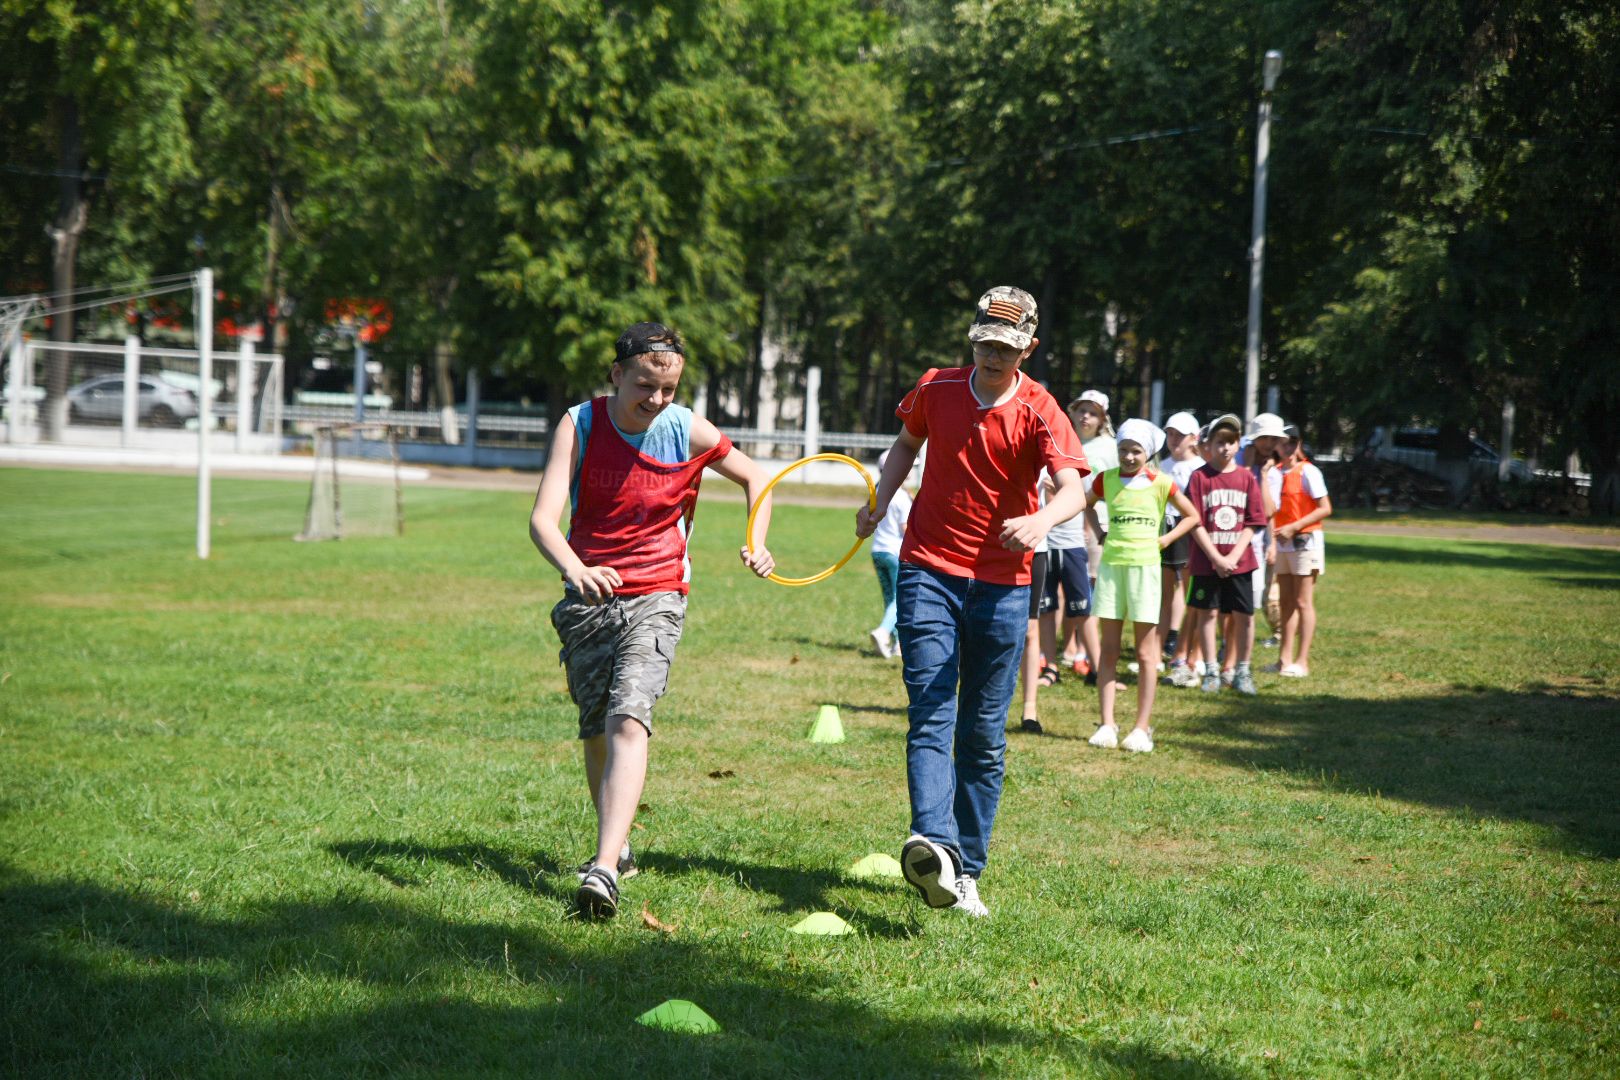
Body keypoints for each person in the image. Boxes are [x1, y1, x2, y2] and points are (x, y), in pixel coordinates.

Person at [529, 322, 777, 920]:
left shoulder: (683, 427)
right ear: (616, 375)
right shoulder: (580, 423)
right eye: (645, 386)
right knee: (594, 730)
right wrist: (577, 566)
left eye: (668, 388)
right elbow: (542, 519)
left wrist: (757, 541)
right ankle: (618, 848)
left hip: (659, 594)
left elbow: (758, 477)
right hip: (587, 601)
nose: (658, 400)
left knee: (628, 717)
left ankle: (604, 868)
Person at [855, 286, 1090, 918]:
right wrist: (881, 496)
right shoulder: (936, 388)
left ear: (1028, 349)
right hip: (928, 568)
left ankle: (967, 871)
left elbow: (1073, 489)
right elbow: (907, 443)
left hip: (1003, 586)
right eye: (985, 342)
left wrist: (1042, 523)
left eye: (1006, 347)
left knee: (983, 734)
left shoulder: (1040, 409)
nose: (992, 355)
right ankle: (934, 844)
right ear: (973, 338)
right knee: (930, 708)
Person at [1083, 419, 1200, 753]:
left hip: (1145, 571)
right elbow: (1086, 502)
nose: (1129, 457)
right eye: (1124, 450)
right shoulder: (1105, 480)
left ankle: (1141, 728)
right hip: (1112, 571)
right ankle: (1107, 723)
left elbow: (1192, 516)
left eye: (1136, 451)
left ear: (1147, 453)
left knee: (1147, 652)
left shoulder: (1160, 482)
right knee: (1109, 649)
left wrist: (1165, 539)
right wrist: (1100, 531)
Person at [1184, 414, 1267, 695]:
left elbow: (1254, 522)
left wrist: (1232, 557)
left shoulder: (1246, 477)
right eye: (1220, 442)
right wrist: (1216, 558)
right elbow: (1194, 522)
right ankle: (1211, 670)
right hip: (1207, 563)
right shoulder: (1199, 478)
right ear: (1209, 445)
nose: (1226, 448)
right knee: (1208, 614)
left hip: (1240, 563)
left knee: (1244, 615)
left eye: (1231, 442)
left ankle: (1242, 670)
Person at [1265, 424, 1333, 677]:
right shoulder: (1275, 472)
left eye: (1292, 441)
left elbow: (1324, 508)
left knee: (1303, 601)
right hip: (1283, 542)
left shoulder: (1309, 472)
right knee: (1285, 602)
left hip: (1306, 541)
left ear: (1299, 443)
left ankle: (1302, 661)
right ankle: (1283, 660)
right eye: (1283, 442)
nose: (1288, 447)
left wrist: (1295, 527)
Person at [1063, 390, 1116, 680]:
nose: (1086, 417)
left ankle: (1085, 652)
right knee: (1066, 591)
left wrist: (1093, 525)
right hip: (1063, 526)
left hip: (1098, 525)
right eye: (1082, 410)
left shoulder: (1109, 447)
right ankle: (1069, 648)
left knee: (1090, 592)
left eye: (1093, 412)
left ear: (1102, 419)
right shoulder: (1066, 440)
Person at [1158, 411, 1203, 679]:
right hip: (1164, 532)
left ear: (1194, 438)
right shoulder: (1160, 465)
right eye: (1170, 433)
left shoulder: (1200, 467)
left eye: (1180, 435)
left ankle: (1188, 650)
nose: (1174, 439)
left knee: (1191, 594)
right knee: (1164, 593)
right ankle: (1160, 647)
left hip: (1190, 533)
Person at [867, 448, 912, 659]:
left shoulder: (876, 492)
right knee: (900, 599)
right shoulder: (902, 497)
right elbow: (905, 529)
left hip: (877, 552)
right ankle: (883, 632)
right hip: (895, 553)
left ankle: (898, 645)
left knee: (890, 598)